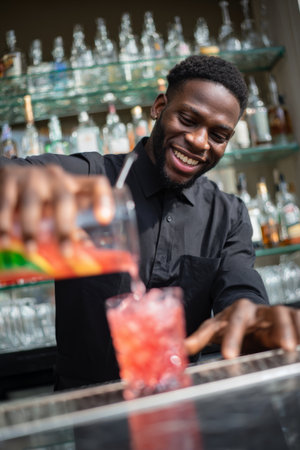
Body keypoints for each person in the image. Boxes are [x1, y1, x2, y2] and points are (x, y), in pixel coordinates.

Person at [0, 55, 299, 390]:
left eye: (218, 135)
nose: (200, 142)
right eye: (188, 119)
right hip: (88, 408)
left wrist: (253, 316)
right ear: (160, 107)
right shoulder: (88, 179)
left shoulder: (227, 214)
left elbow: (240, 288)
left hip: (177, 404)